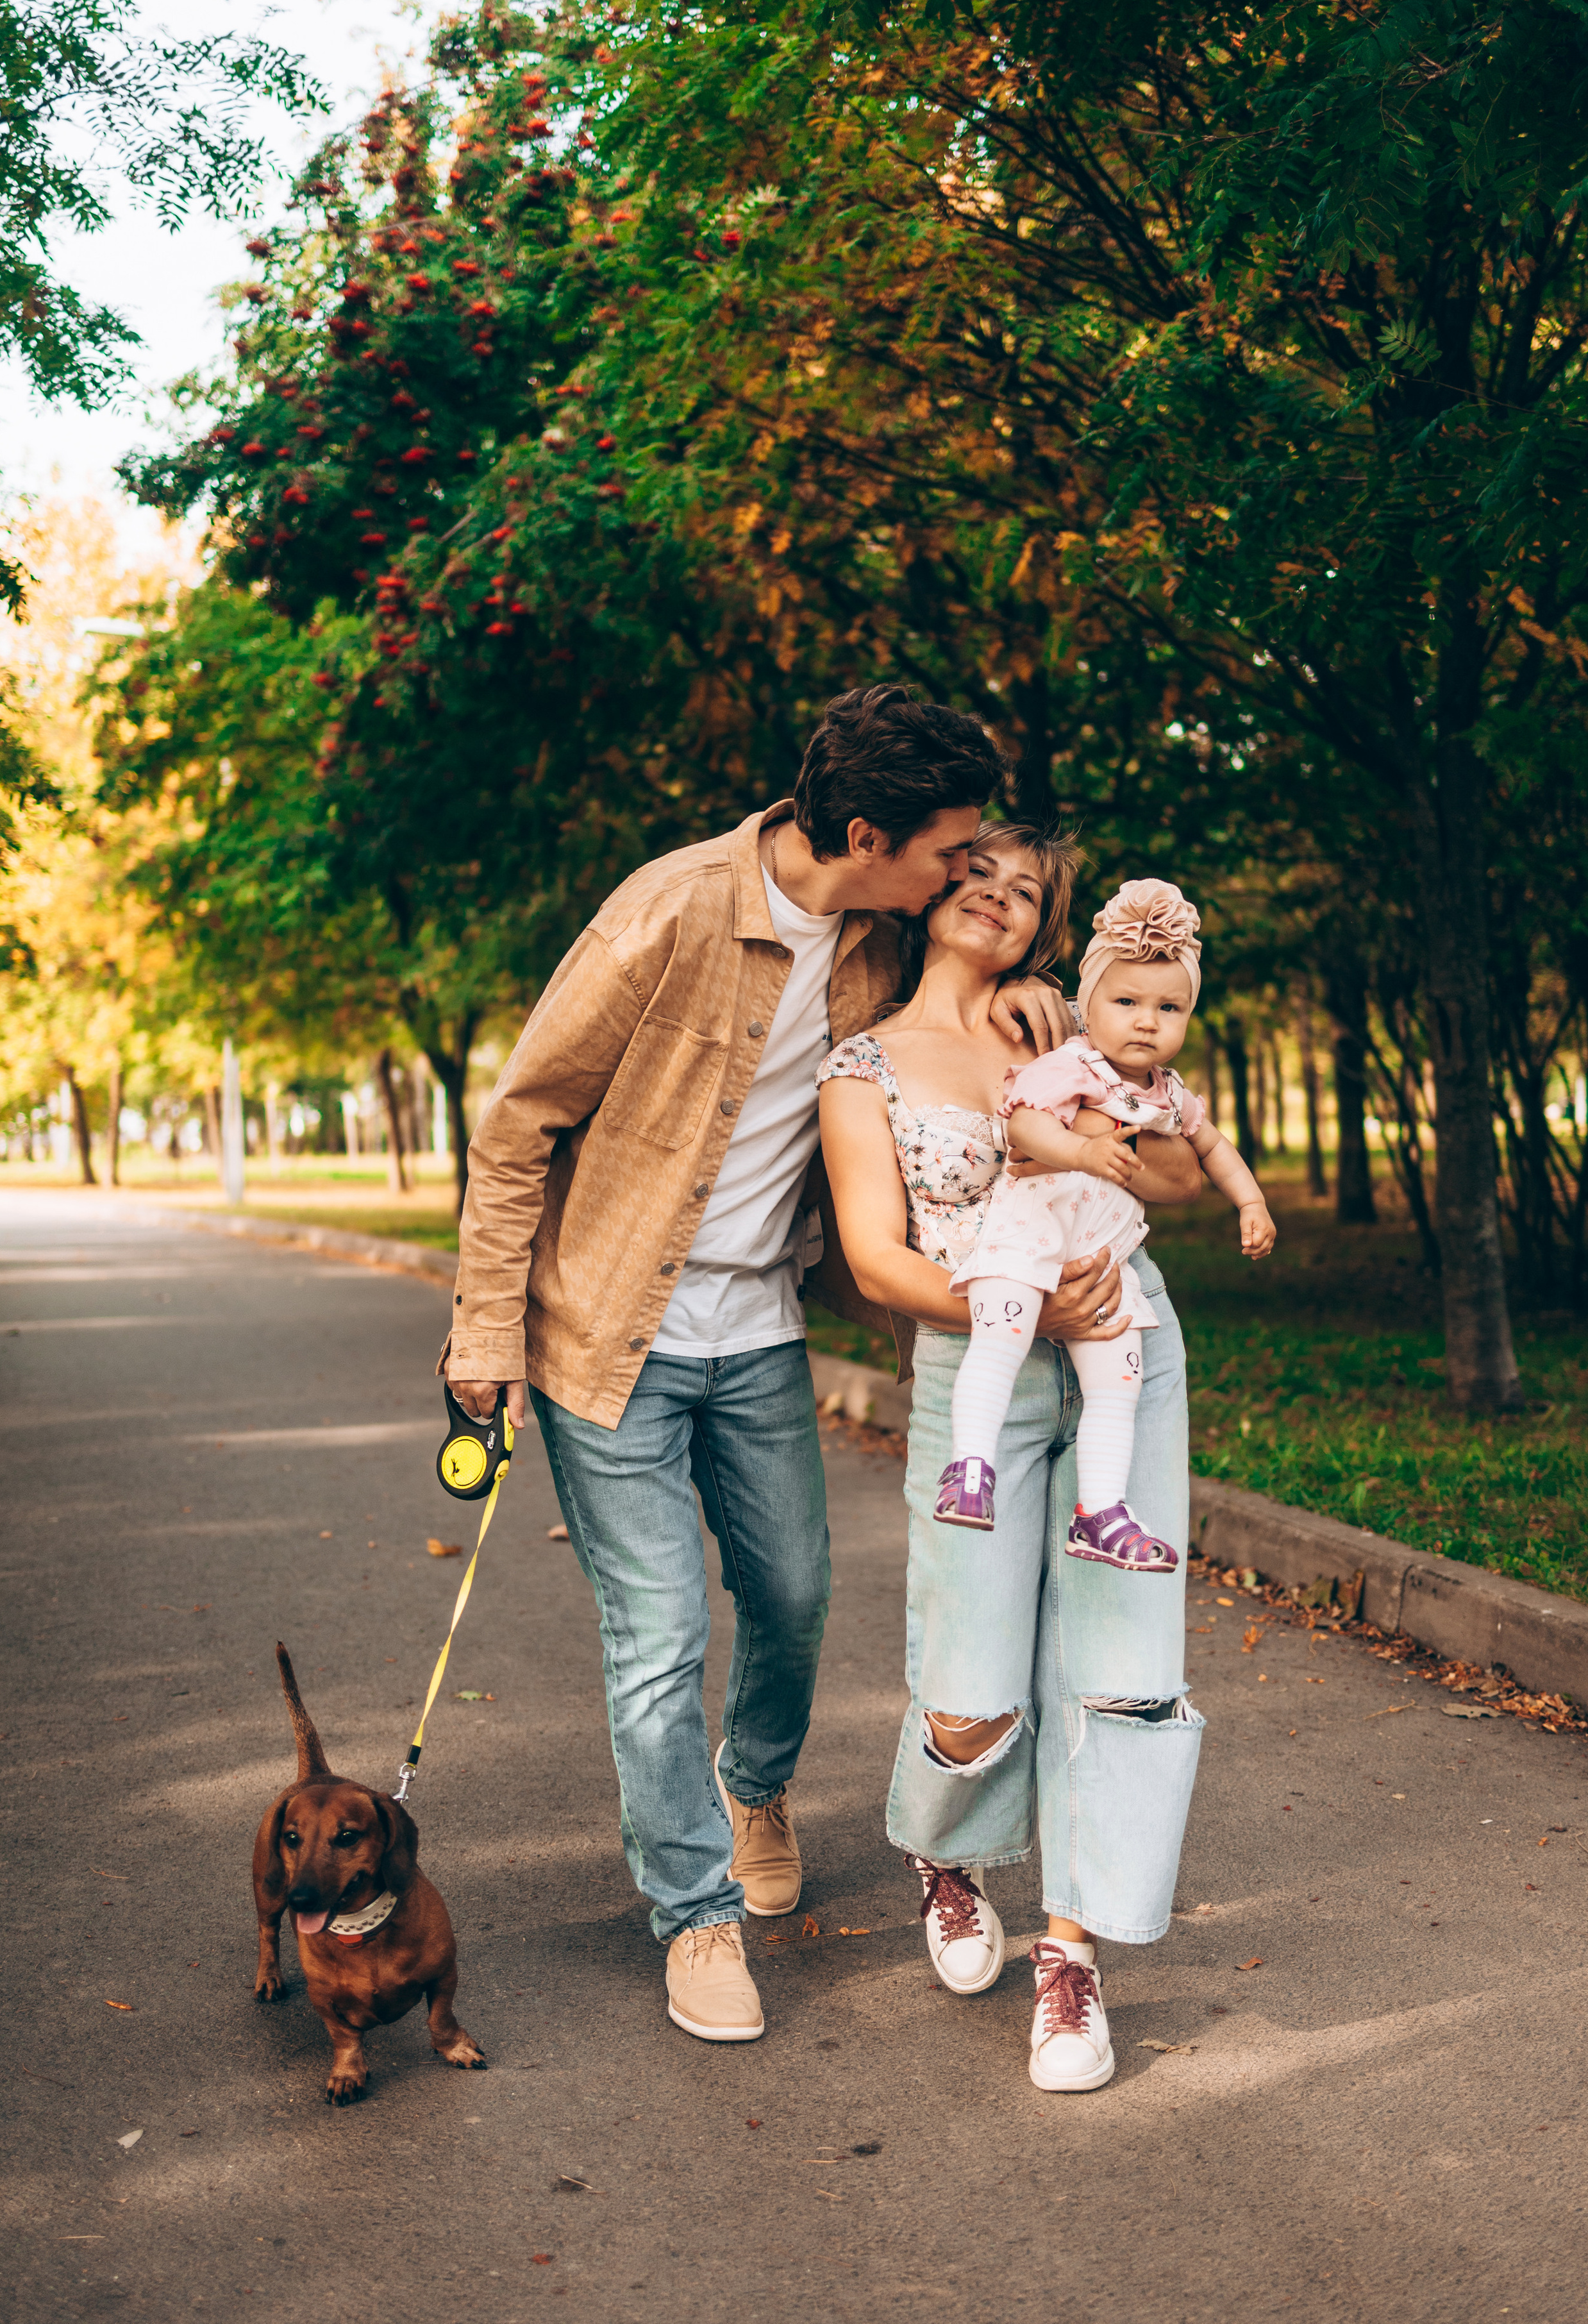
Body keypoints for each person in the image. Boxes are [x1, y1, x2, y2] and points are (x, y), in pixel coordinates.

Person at [440, 686, 1089, 2048]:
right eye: (947, 853)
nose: (964, 873)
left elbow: (947, 1021)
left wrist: (1028, 991)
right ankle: (694, 1917)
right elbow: (518, 1127)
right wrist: (484, 1331)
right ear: (864, 832)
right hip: (606, 1336)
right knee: (660, 1634)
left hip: (754, 1335)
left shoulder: (872, 939)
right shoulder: (668, 912)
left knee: (790, 1596)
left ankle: (751, 1787)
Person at [817, 825, 1205, 2094]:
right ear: (927, 887)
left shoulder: (1065, 1032)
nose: (993, 897)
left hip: (1121, 1355)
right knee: (969, 1682)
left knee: (1120, 1666)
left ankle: (1071, 1955)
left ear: (1047, 926)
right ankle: (945, 1854)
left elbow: (1172, 1182)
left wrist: (1120, 1093)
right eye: (973, 872)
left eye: (1024, 890)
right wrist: (1026, 1305)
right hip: (973, 1362)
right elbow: (877, 1258)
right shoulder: (860, 1062)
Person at [942, 878, 1276, 1559]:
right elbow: (1026, 1129)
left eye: (1169, 1007)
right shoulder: (1072, 1062)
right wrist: (1085, 1152)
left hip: (1104, 1261)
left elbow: (1212, 1150)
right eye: (1126, 1002)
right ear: (1087, 1007)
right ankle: (969, 1466)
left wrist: (1250, 1202)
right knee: (998, 1342)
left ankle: (1098, 1510)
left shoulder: (1172, 1095)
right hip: (1026, 1240)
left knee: (1120, 1381)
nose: (1147, 1021)